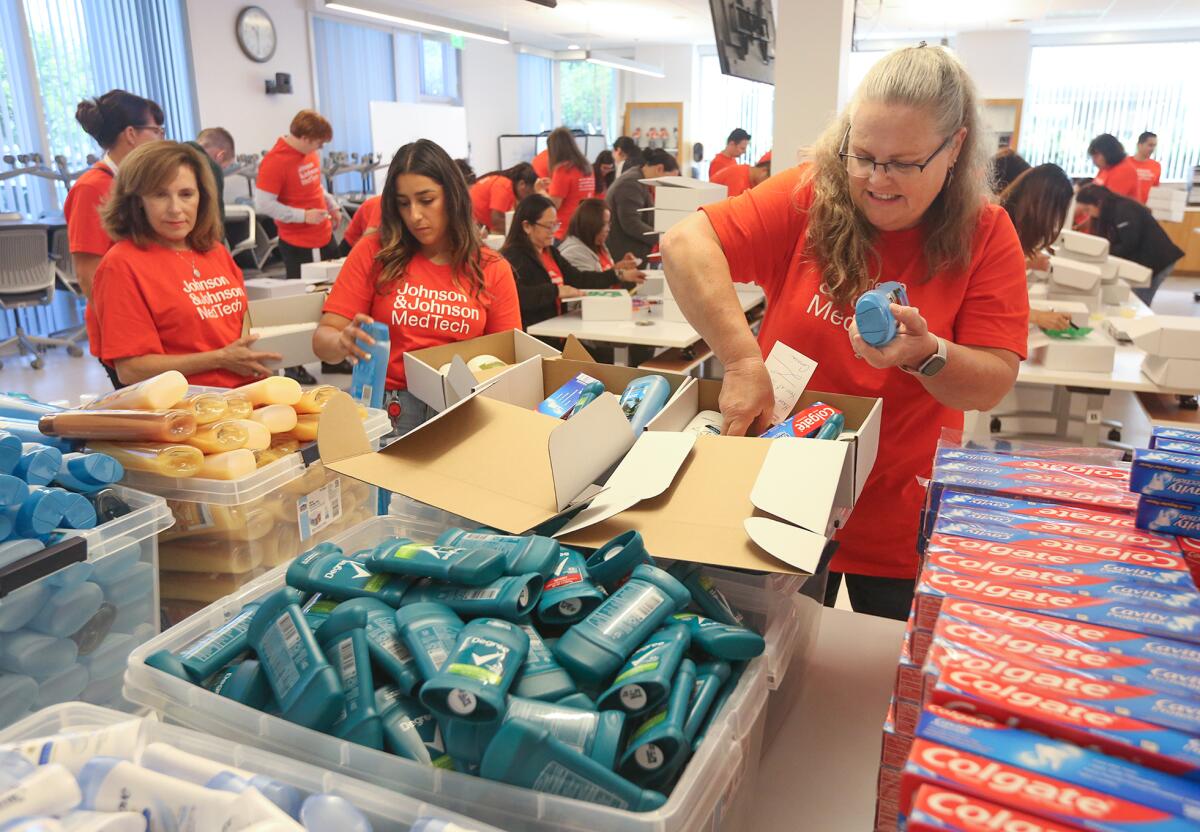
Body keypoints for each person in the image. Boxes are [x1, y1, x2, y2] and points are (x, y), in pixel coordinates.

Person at [661, 45, 1028, 621]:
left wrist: (928, 355)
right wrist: (739, 360)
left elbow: (990, 383)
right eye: (862, 155)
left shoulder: (985, 234)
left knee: (878, 678)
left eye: (903, 163)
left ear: (954, 147)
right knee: (768, 667)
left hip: (899, 508)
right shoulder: (811, 195)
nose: (876, 180)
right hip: (782, 495)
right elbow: (685, 245)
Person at [314, 140, 522, 436]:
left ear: (452, 197)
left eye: (426, 200)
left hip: (463, 408)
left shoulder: (490, 267)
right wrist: (341, 343)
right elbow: (323, 339)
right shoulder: (374, 252)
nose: (414, 215)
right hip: (391, 411)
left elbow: (509, 360)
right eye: (403, 203)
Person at [91, 142, 280, 387]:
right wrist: (220, 359)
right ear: (137, 201)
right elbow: (131, 370)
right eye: (160, 195)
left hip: (248, 395)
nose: (175, 209)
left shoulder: (214, 251)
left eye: (186, 194)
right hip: (190, 408)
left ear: (202, 197)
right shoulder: (121, 265)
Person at [65, 89, 165, 387]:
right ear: (132, 134)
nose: (161, 138)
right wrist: (126, 335)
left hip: (153, 323)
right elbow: (88, 275)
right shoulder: (92, 188)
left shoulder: (134, 183)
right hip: (126, 333)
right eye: (156, 131)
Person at [502, 194, 642, 328]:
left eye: (556, 225)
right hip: (535, 334)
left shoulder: (550, 251)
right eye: (548, 226)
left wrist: (618, 274)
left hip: (558, 329)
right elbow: (517, 296)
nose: (553, 231)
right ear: (527, 226)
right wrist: (556, 291)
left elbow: (578, 279)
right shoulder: (513, 257)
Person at [256, 109, 343, 279]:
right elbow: (264, 204)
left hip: (324, 234)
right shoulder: (275, 162)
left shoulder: (310, 154)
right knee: (306, 294)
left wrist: (333, 205)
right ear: (305, 138)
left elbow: (315, 185)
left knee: (336, 286)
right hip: (298, 242)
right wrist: (303, 216)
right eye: (319, 143)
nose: (320, 147)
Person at [1075, 183, 1183, 306]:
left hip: (1157, 260)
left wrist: (1102, 255)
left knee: (1138, 303)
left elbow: (1128, 244)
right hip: (1144, 259)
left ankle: (1141, 324)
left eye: (1087, 210)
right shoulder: (1110, 210)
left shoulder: (1124, 210)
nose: (1089, 215)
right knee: (1132, 299)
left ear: (1099, 202)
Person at [999, 164, 1077, 331]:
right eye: (1057, 212)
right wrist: (1037, 316)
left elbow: (997, 276)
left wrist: (1025, 263)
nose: (1055, 221)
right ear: (1043, 207)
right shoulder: (999, 229)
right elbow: (988, 303)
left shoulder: (1007, 222)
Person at [605, 148, 679, 263]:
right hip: (624, 253)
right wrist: (663, 238)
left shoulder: (639, 179)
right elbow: (631, 223)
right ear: (659, 169)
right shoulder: (631, 183)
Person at [559, 198, 645, 279]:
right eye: (604, 224)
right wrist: (619, 273)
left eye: (609, 224)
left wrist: (622, 267)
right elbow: (591, 285)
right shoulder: (574, 253)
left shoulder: (598, 244)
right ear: (590, 224)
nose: (608, 229)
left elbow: (605, 275)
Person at [545, 127, 595, 241]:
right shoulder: (587, 168)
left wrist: (541, 192)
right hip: (585, 227)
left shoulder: (563, 170)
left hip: (564, 231)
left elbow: (553, 205)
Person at [469, 163, 539, 233]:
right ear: (522, 184)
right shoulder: (505, 186)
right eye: (529, 193)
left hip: (473, 222)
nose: (528, 198)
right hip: (472, 223)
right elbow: (497, 221)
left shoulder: (502, 182)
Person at [188, 127, 234, 225]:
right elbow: (216, 220)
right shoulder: (212, 169)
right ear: (220, 156)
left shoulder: (174, 158)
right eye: (224, 167)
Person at [1088, 133, 1141, 202]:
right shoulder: (1105, 167)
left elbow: (1108, 202)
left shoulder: (1124, 171)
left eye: (1096, 155)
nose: (1094, 160)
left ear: (1109, 153)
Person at [1131, 131, 1161, 204]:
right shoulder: (1125, 163)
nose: (1153, 149)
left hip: (1145, 209)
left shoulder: (1156, 166)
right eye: (1150, 145)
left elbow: (1155, 190)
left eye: (1155, 146)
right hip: (1127, 207)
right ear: (1139, 145)